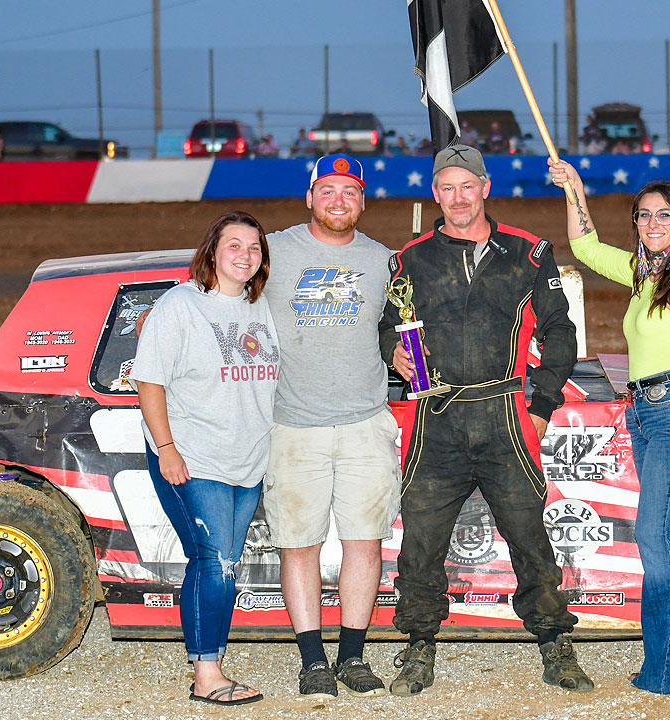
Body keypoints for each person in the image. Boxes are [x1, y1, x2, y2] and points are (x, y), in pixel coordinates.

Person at [381, 144, 592, 696]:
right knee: (421, 542)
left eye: (466, 186)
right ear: (435, 193)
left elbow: (560, 332)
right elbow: (390, 325)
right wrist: (393, 353)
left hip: (504, 417)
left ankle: (554, 642)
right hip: (437, 416)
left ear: (484, 188)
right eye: (446, 188)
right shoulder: (411, 258)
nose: (457, 198)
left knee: (528, 536)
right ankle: (419, 645)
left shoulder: (528, 252)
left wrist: (543, 403)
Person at [547, 158, 670, 695]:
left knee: (655, 537)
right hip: (646, 414)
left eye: (663, 215)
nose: (652, 224)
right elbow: (584, 247)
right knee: (667, 538)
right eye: (643, 216)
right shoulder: (643, 276)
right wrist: (575, 189)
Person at [263, 153, 399, 700]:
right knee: (299, 546)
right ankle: (312, 659)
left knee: (364, 543)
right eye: (328, 190)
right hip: (291, 426)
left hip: (366, 424)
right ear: (310, 198)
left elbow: (405, 328)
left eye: (350, 191)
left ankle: (352, 655)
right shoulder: (272, 250)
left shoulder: (387, 262)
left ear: (362, 201)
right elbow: (216, 288)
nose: (338, 200)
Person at [130, 210, 277, 707]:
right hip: (194, 457)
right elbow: (148, 379)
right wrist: (167, 448)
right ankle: (206, 674)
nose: (245, 256)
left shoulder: (262, 308)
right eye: (234, 245)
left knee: (227, 564)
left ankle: (211, 661)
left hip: (247, 459)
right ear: (212, 250)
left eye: (254, 248)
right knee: (211, 559)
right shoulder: (180, 305)